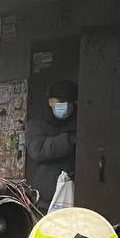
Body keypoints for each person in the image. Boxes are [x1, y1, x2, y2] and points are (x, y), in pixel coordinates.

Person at [23, 80, 78, 208]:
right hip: (45, 198)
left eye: (69, 102)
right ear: (50, 102)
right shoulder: (37, 125)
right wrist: (69, 139)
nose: (65, 105)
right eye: (60, 101)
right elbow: (38, 150)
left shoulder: (80, 123)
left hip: (73, 194)